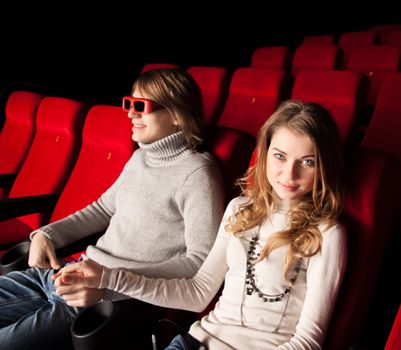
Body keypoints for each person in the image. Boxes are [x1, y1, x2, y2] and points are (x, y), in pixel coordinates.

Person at [59, 100, 348, 349]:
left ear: (323, 166)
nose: (290, 173)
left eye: (307, 162)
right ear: (266, 153)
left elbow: (308, 340)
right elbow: (198, 293)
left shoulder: (328, 233)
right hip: (193, 342)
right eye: (280, 156)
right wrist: (107, 277)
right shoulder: (240, 209)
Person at [0, 67, 225, 349]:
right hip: (70, 272)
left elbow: (198, 263)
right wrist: (47, 234)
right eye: (129, 104)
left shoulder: (198, 173)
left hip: (106, 299)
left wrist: (108, 286)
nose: (130, 114)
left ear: (178, 115)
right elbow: (102, 209)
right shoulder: (140, 158)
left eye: (141, 106)